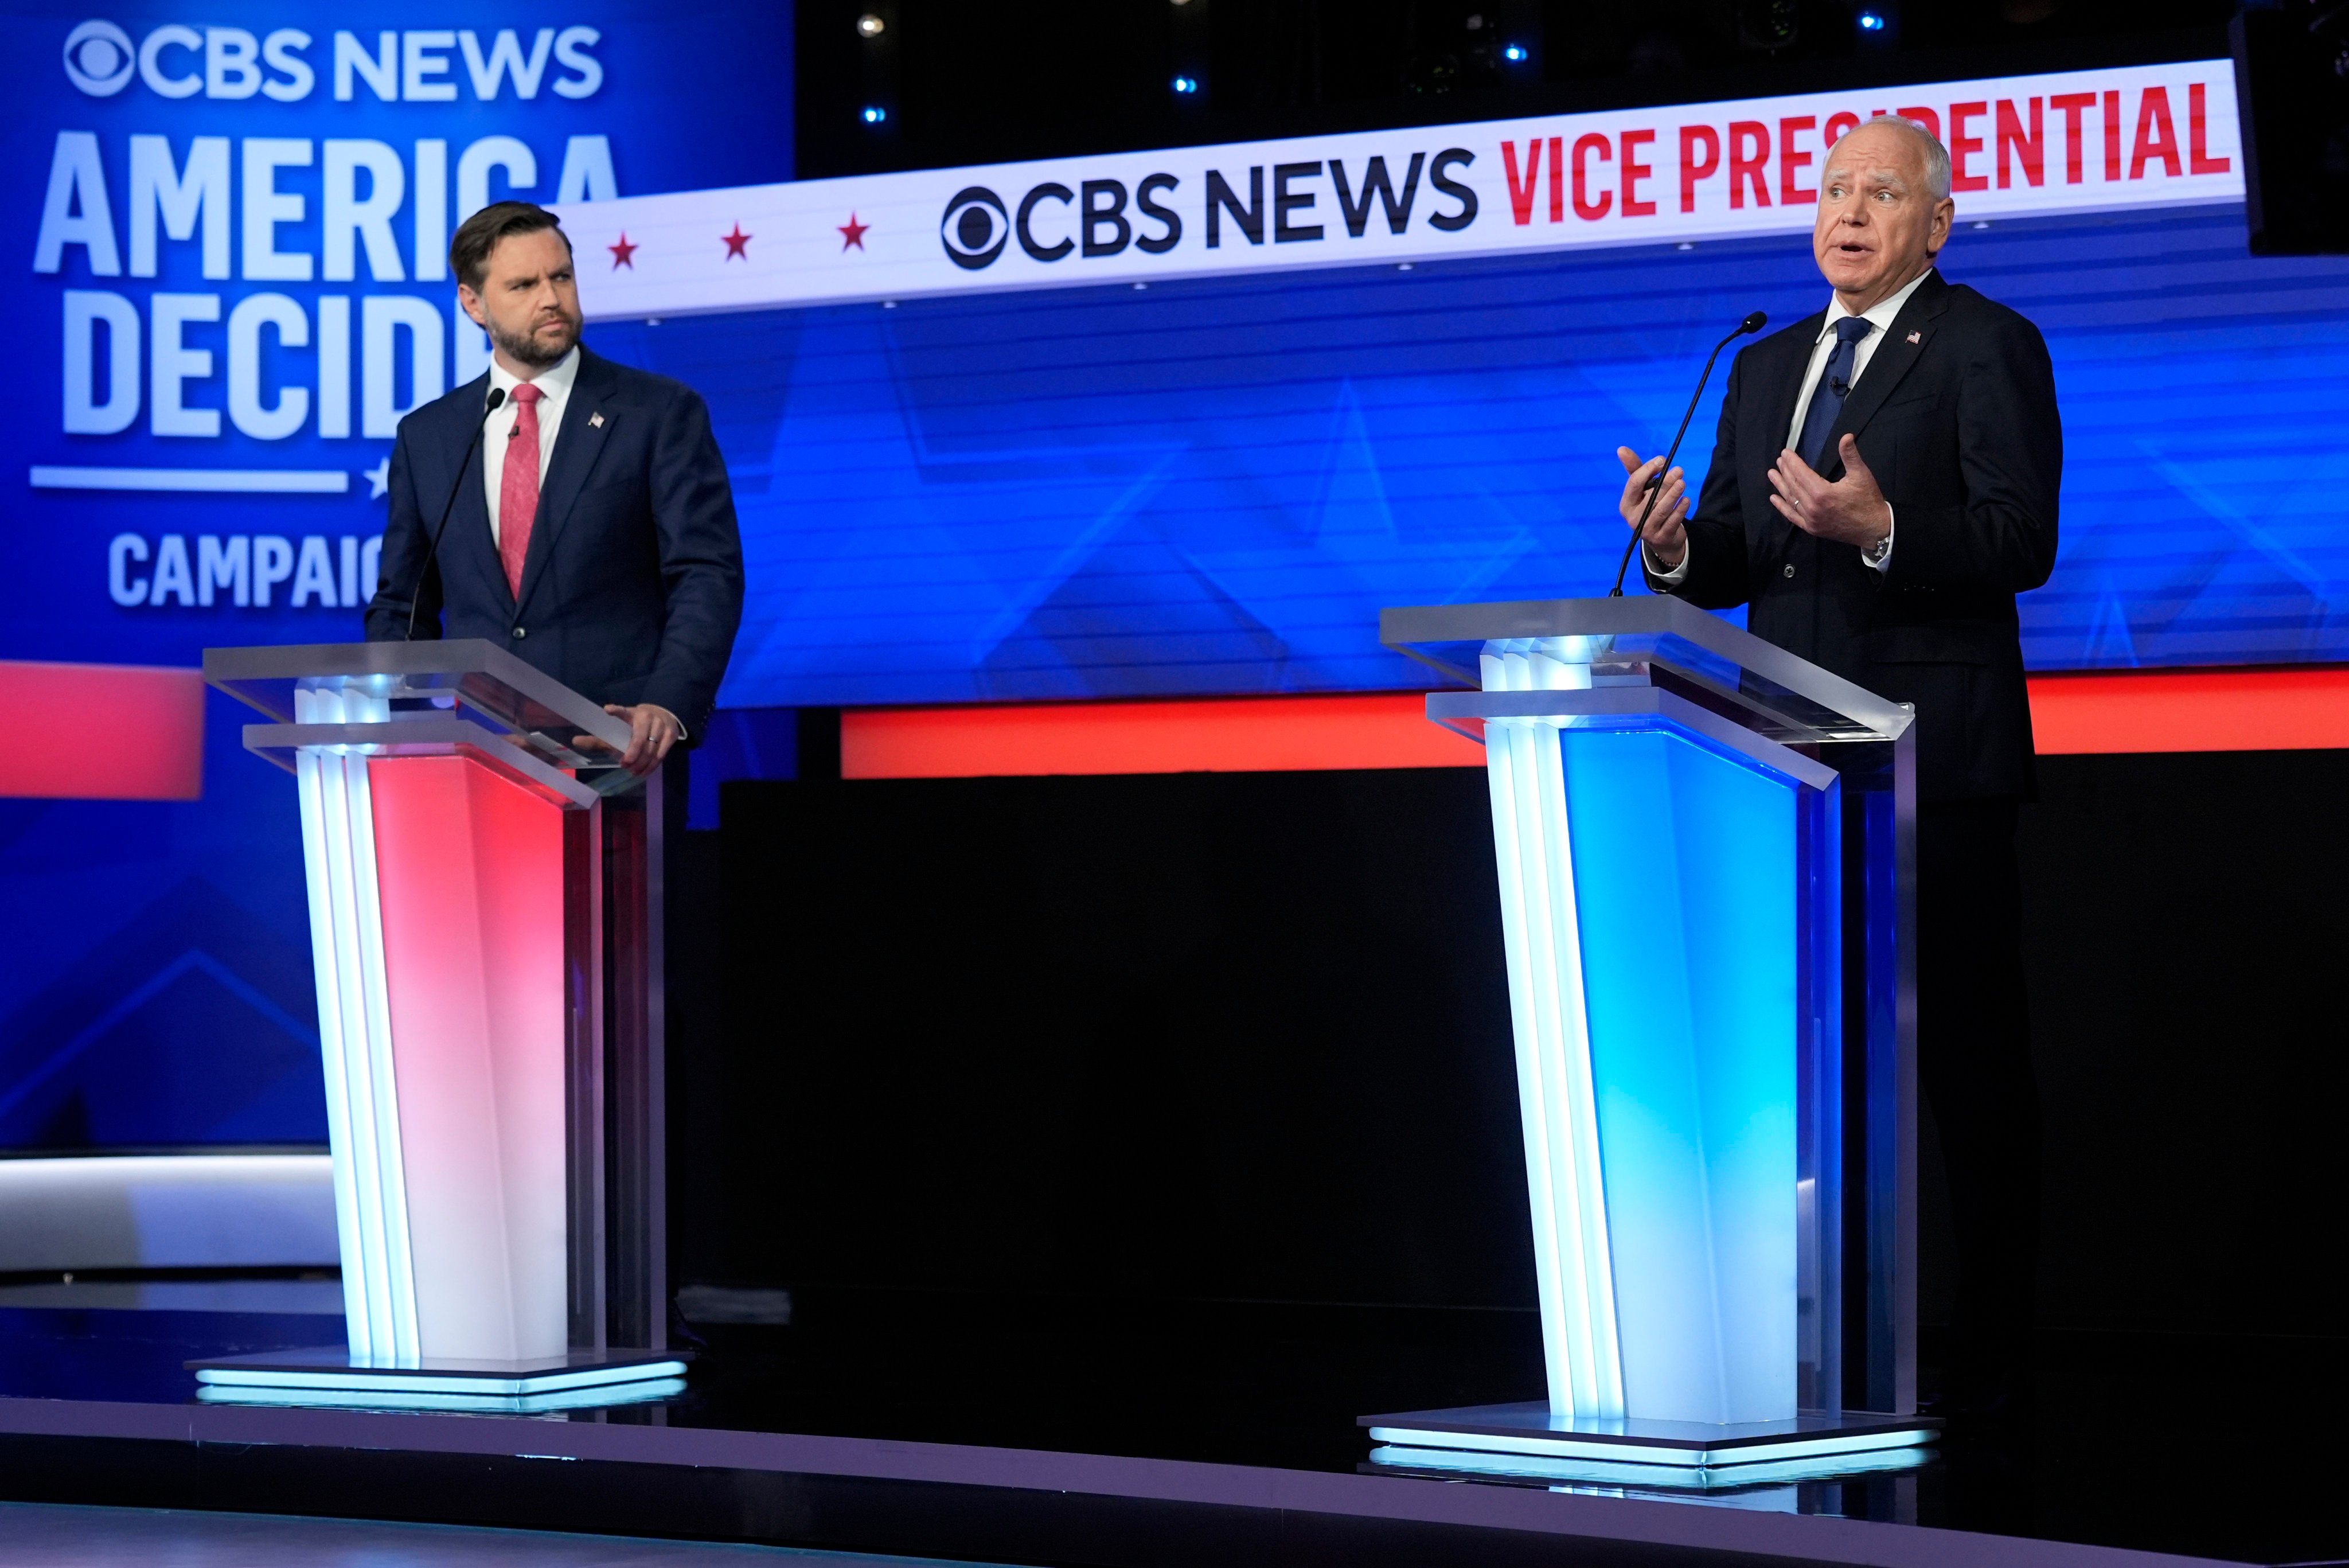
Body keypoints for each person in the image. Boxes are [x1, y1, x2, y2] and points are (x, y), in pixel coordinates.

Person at [1619, 115, 2059, 1419]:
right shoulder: (1765, 367)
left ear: (1936, 221)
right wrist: (1676, 544)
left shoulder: (1985, 342)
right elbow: (1743, 556)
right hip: (1791, 767)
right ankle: (1828, 1346)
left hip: (1938, 767)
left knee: (1968, 1066)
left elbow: (2019, 536)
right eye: (1830, 189)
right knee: (1811, 1070)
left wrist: (1884, 531)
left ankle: (1997, 1357)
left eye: (1880, 191)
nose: (1847, 211)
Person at [365, 200, 744, 777]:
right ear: (473, 303)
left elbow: (705, 574)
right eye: (523, 285)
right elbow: (404, 604)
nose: (551, 298)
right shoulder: (429, 436)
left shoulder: (658, 413)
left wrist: (667, 703)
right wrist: (402, 723)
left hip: (618, 754)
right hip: (476, 757)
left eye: (561, 276)